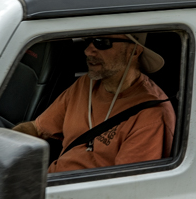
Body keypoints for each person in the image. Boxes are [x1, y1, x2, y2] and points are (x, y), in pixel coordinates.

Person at [13, 33, 175, 173]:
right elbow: (37, 128)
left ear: (134, 51)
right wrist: (6, 146)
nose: (88, 51)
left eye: (102, 42)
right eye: (89, 41)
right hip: (51, 183)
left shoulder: (151, 115)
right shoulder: (86, 84)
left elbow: (124, 187)